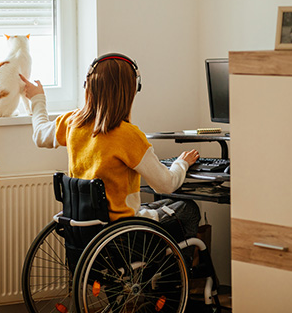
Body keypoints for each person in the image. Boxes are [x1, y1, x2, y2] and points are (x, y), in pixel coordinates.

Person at [19, 53, 201, 241]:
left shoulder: (73, 122)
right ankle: (177, 269)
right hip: (122, 234)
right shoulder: (128, 135)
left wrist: (38, 99)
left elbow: (40, 135)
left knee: (160, 205)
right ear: (131, 90)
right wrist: (182, 163)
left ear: (87, 86)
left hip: (86, 231)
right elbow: (167, 184)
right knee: (188, 209)